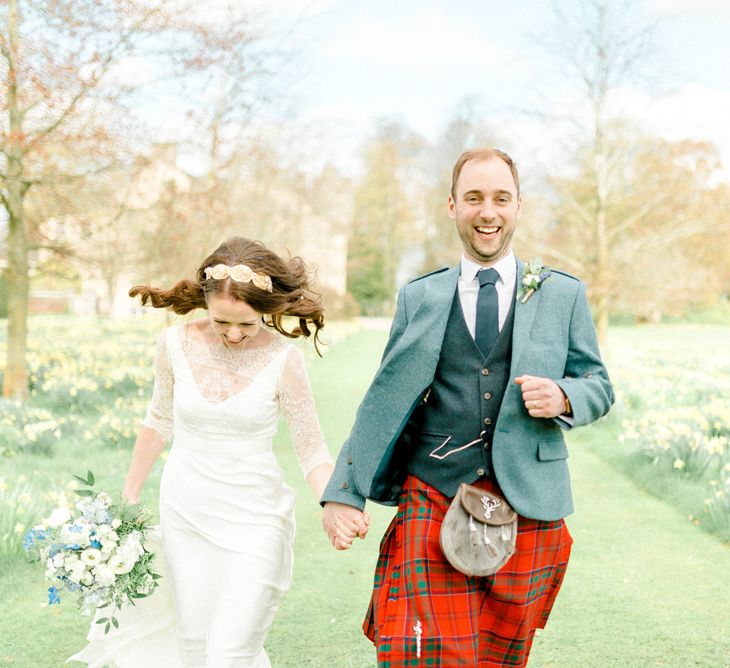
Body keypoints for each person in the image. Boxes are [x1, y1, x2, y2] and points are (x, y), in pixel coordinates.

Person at [320, 148, 614, 667]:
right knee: (424, 654)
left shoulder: (561, 294)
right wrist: (345, 493)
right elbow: (384, 401)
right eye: (474, 198)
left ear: (519, 206)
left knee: (501, 659)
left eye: (501, 198)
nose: (488, 211)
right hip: (431, 491)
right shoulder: (421, 297)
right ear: (451, 206)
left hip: (525, 498)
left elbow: (599, 384)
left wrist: (565, 395)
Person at [70, 236, 334, 668]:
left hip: (256, 519)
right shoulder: (174, 344)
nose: (233, 334)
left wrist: (333, 502)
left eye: (247, 325)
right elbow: (158, 420)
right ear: (204, 303)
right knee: (193, 645)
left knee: (231, 651)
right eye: (221, 322)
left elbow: (312, 450)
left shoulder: (284, 360)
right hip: (186, 511)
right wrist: (128, 499)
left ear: (267, 311)